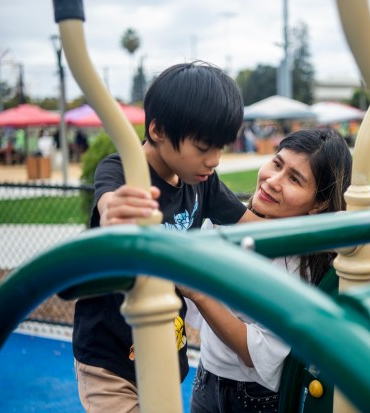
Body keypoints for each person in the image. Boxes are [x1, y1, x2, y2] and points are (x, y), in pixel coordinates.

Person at [72, 61, 262, 413]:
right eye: (204, 147)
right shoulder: (123, 169)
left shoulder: (201, 185)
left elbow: (253, 225)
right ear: (157, 129)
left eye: (221, 147)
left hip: (162, 346)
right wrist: (114, 210)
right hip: (110, 356)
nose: (214, 160)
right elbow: (110, 200)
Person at [181, 128, 353, 413]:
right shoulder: (223, 221)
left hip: (255, 398)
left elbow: (255, 352)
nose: (273, 181)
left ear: (319, 203)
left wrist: (200, 293)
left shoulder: (302, 263)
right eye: (277, 163)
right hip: (206, 377)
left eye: (294, 179)